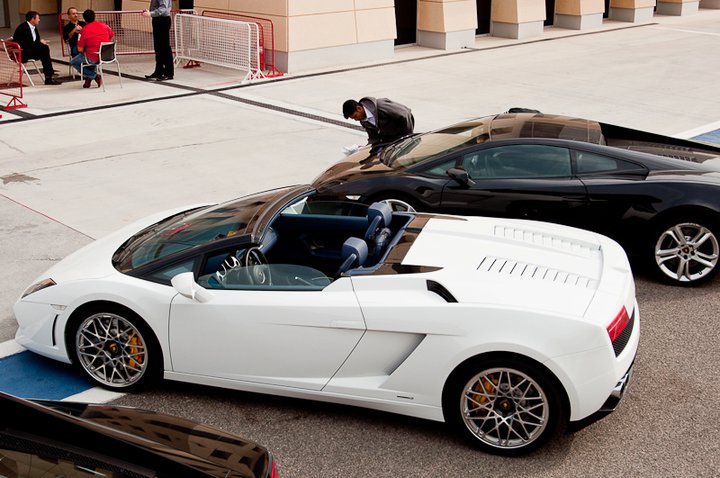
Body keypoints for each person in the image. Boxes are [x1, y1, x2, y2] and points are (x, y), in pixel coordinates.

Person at [12, 11, 61, 85]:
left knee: (44, 50)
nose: (39, 20)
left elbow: (34, 41)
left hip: (29, 50)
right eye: (38, 18)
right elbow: (28, 44)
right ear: (32, 19)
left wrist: (40, 42)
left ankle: (49, 76)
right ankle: (49, 76)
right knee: (44, 49)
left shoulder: (33, 27)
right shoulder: (24, 28)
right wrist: (40, 43)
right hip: (22, 53)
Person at [343, 97, 414, 147]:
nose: (356, 120)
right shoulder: (363, 121)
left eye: (355, 116)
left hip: (404, 136)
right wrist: (365, 148)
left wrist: (408, 136)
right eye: (353, 118)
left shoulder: (381, 105)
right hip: (393, 141)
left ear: (359, 108)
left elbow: (405, 113)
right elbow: (373, 138)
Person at [71, 9, 114, 88]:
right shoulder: (103, 25)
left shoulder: (84, 30)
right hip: (107, 56)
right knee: (90, 55)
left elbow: (80, 49)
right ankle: (88, 80)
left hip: (93, 57)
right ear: (94, 16)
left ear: (84, 19)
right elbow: (111, 35)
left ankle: (94, 76)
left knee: (74, 61)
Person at [141, 0, 173, 81]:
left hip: (162, 20)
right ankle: (159, 71)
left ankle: (168, 73)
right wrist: (150, 12)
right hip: (157, 20)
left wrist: (151, 13)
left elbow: (163, 8)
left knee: (164, 47)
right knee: (158, 47)